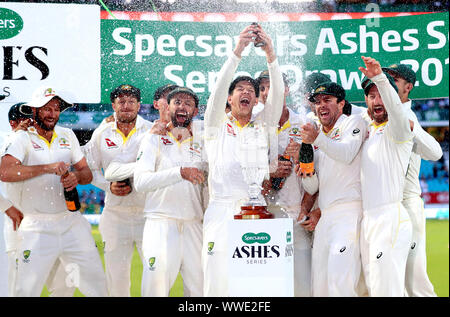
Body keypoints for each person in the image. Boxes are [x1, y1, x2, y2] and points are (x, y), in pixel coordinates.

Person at [0, 86, 107, 297]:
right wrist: (47, 168)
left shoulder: (67, 135)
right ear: (34, 110)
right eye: (46, 108)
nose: (52, 114)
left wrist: (77, 177)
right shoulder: (20, 138)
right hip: (35, 225)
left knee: (96, 286)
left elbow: (86, 173)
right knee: (24, 290)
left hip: (71, 221)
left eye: (57, 108)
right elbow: (5, 172)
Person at [202, 24, 284, 296]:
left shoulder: (263, 124)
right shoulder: (214, 124)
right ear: (229, 97)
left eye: (251, 88)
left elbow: (278, 95)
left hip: (256, 210)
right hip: (222, 210)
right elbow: (217, 90)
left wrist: (270, 53)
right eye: (240, 88)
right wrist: (238, 50)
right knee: (217, 285)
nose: (247, 92)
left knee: (255, 288)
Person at [132, 87, 206, 297]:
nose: (182, 106)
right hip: (161, 222)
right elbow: (141, 182)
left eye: (188, 103)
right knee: (155, 289)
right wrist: (179, 173)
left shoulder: (203, 142)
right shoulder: (153, 139)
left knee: (200, 290)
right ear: (169, 107)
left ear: (195, 110)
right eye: (177, 102)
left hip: (194, 224)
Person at [297, 81, 368, 296]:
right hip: (325, 217)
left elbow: (346, 154)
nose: (321, 106)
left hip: (348, 213)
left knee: (341, 285)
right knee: (320, 287)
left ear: (341, 103)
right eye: (317, 102)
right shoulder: (318, 139)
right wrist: (307, 172)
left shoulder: (353, 122)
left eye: (327, 100)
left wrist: (316, 138)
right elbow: (314, 187)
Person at [82, 84, 152, 297]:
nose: (127, 105)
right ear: (113, 105)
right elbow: (89, 168)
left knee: (154, 274)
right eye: (121, 101)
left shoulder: (151, 130)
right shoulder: (101, 132)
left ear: (139, 105)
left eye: (131, 101)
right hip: (115, 215)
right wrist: (109, 186)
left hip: (147, 214)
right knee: (116, 279)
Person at [382, 63, 442, 297]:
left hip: (406, 202)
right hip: (384, 203)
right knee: (390, 277)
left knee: (414, 278)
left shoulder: (408, 116)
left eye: (394, 79)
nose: (389, 82)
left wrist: (412, 129)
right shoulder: (380, 113)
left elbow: (435, 153)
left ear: (408, 87)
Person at [358, 56, 414, 297]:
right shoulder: (368, 130)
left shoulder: (399, 128)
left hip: (390, 217)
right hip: (368, 220)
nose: (376, 100)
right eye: (371, 96)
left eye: (381, 94)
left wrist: (380, 78)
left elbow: (397, 111)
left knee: (386, 291)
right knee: (374, 288)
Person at [257, 70, 312, 297]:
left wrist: (303, 157)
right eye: (262, 88)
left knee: (303, 286)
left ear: (287, 90)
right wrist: (269, 172)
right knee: (271, 288)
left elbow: (317, 175)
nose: (267, 92)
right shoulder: (253, 125)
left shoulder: (305, 124)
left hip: (297, 214)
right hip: (266, 215)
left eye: (273, 86)